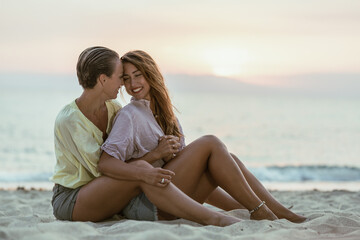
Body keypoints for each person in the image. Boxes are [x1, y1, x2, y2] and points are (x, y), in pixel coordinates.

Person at [100, 50, 306, 223]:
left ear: (150, 74)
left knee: (227, 159)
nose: (132, 84)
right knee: (210, 143)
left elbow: (195, 172)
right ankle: (260, 210)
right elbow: (108, 164)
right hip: (151, 203)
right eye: (126, 79)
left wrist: (237, 205)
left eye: (138, 75)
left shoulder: (165, 114)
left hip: (176, 197)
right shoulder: (129, 115)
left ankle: (277, 212)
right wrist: (155, 154)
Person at [50, 46, 241, 226]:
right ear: (103, 80)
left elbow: (122, 164)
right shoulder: (70, 120)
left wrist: (165, 158)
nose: (123, 84)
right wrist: (154, 156)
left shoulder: (113, 108)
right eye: (120, 77)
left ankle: (241, 208)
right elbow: (104, 169)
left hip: (111, 193)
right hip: (74, 198)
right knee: (142, 169)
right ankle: (216, 219)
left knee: (181, 167)